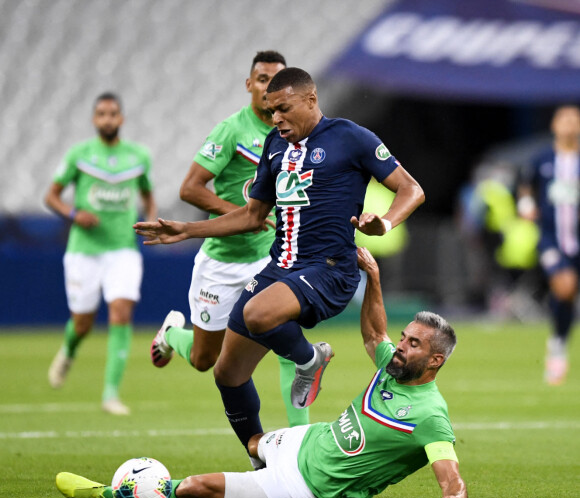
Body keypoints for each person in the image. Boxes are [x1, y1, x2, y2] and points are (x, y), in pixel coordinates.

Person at [134, 67, 425, 461]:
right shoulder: (274, 145)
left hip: (330, 268)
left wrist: (385, 222)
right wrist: (187, 229)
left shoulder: (350, 137)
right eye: (271, 111)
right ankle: (259, 457)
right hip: (279, 268)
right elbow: (253, 216)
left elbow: (412, 189)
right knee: (226, 373)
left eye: (284, 109)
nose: (276, 119)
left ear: (311, 99)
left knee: (257, 314)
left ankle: (310, 359)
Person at [55, 247, 468, 498]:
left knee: (197, 487)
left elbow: (448, 472)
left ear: (434, 362)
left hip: (304, 485)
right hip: (306, 441)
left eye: (413, 344)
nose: (399, 346)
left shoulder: (430, 415)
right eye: (404, 337)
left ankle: (112, 495)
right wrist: (373, 278)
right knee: (253, 443)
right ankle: (251, 474)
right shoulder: (391, 368)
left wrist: (455, 493)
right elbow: (374, 333)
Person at [151, 51, 308, 427]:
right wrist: (239, 216)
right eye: (262, 79)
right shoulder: (232, 130)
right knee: (208, 360)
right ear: (249, 85)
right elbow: (190, 188)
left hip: (269, 258)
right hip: (222, 262)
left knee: (289, 345)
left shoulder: (290, 131)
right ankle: (173, 333)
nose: (268, 86)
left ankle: (302, 445)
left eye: (277, 80)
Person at [45, 92, 157, 415]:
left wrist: (150, 217)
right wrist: (73, 214)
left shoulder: (138, 156)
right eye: (101, 114)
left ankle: (111, 394)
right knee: (82, 323)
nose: (107, 119)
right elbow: (51, 196)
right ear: (95, 120)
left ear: (121, 118)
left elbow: (149, 195)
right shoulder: (80, 154)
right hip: (84, 250)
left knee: (121, 313)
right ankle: (68, 350)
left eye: (112, 114)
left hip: (123, 249)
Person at [518, 104, 580, 385]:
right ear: (554, 125)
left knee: (568, 293)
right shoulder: (543, 158)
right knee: (564, 286)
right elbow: (524, 185)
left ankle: (560, 336)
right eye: (564, 119)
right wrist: (526, 204)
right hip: (551, 237)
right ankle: (557, 346)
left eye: (574, 119)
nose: (569, 124)